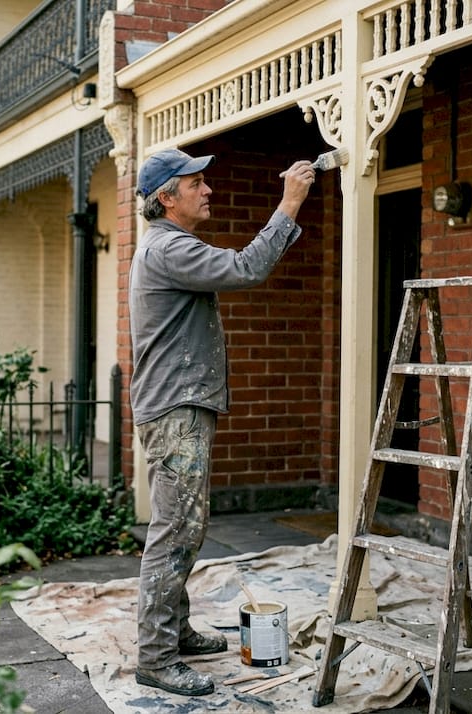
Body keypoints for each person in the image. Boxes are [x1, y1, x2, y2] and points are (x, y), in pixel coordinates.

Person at [129, 148, 316, 696]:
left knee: (181, 525)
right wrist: (290, 204)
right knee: (176, 531)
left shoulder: (169, 245)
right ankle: (156, 658)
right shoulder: (168, 248)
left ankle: (175, 632)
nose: (208, 190)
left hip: (176, 404)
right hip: (176, 410)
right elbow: (246, 269)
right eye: (197, 183)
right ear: (167, 197)